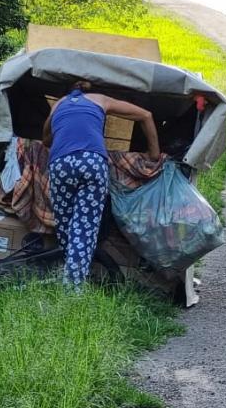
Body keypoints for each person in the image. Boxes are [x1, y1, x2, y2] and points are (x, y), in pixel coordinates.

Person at [42, 80, 160, 286]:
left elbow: (46, 140)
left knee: (65, 226)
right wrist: (155, 154)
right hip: (92, 162)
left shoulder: (59, 104)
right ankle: (73, 289)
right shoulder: (100, 100)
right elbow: (146, 115)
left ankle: (70, 275)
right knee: (84, 227)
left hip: (61, 164)